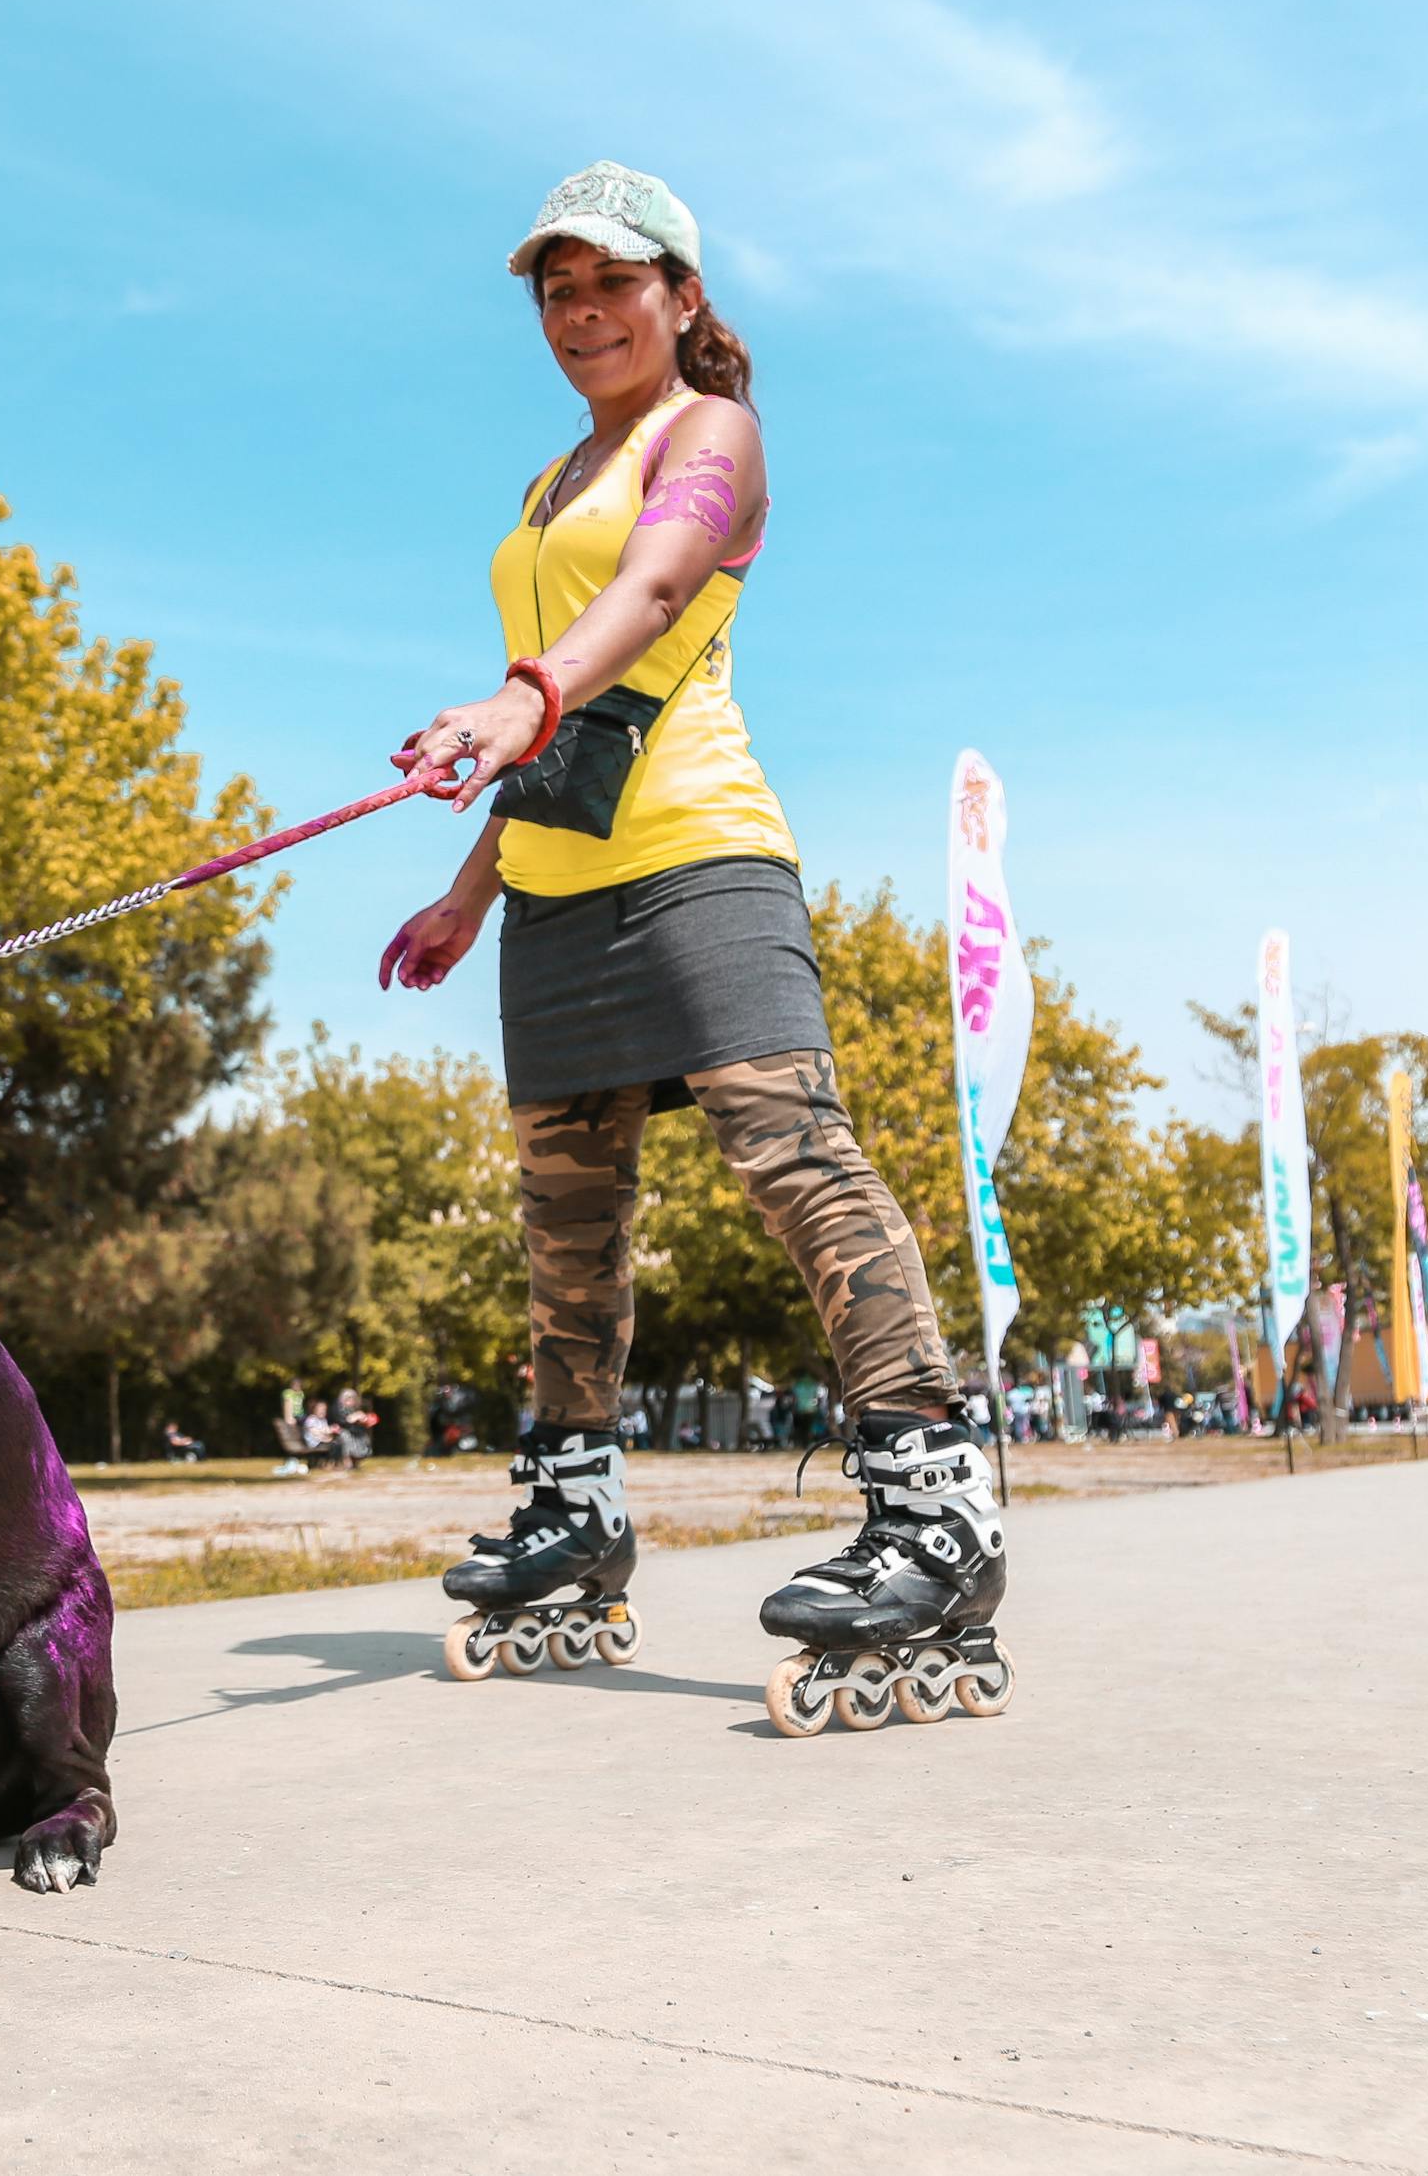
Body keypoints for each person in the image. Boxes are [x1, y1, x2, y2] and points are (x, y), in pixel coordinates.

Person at [383, 161, 1002, 1681]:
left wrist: (517, 690)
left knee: (796, 1160)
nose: (581, 311)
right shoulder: (546, 487)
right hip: (556, 891)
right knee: (565, 1228)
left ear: (680, 295)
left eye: (611, 281)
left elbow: (653, 598)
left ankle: (935, 1506)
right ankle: (573, 1510)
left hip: (704, 857)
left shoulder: (707, 434)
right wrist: (472, 888)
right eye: (555, 288)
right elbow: (564, 718)